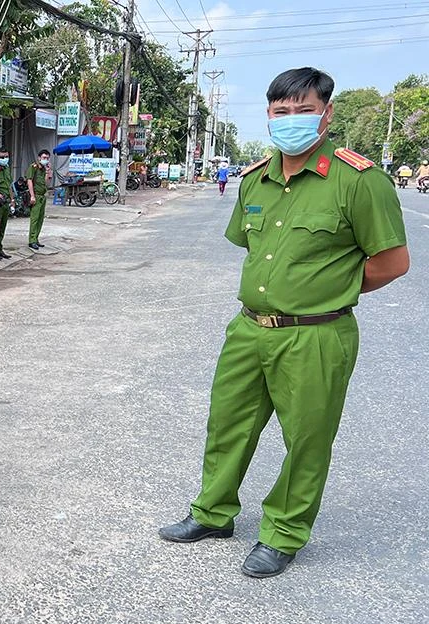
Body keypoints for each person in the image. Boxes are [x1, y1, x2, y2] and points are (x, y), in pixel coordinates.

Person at [159, 67, 409, 578]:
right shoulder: (256, 178)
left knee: (307, 438)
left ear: (327, 113)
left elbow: (392, 262)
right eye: (281, 112)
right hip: (249, 328)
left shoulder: (358, 181)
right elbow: (252, 249)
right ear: (269, 116)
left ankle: (284, 532)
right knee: (227, 424)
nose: (291, 120)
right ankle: (213, 513)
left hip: (317, 334)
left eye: (304, 110)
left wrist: (329, 288)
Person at [26, 149, 52, 250]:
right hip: (36, 196)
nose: (45, 160)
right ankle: (31, 240)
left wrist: (47, 172)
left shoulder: (43, 169)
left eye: (47, 158)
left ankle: (36, 239)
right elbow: (29, 181)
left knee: (40, 219)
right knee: (34, 219)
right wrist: (32, 196)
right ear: (39, 158)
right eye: (44, 158)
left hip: (42, 196)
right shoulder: (34, 167)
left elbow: (46, 183)